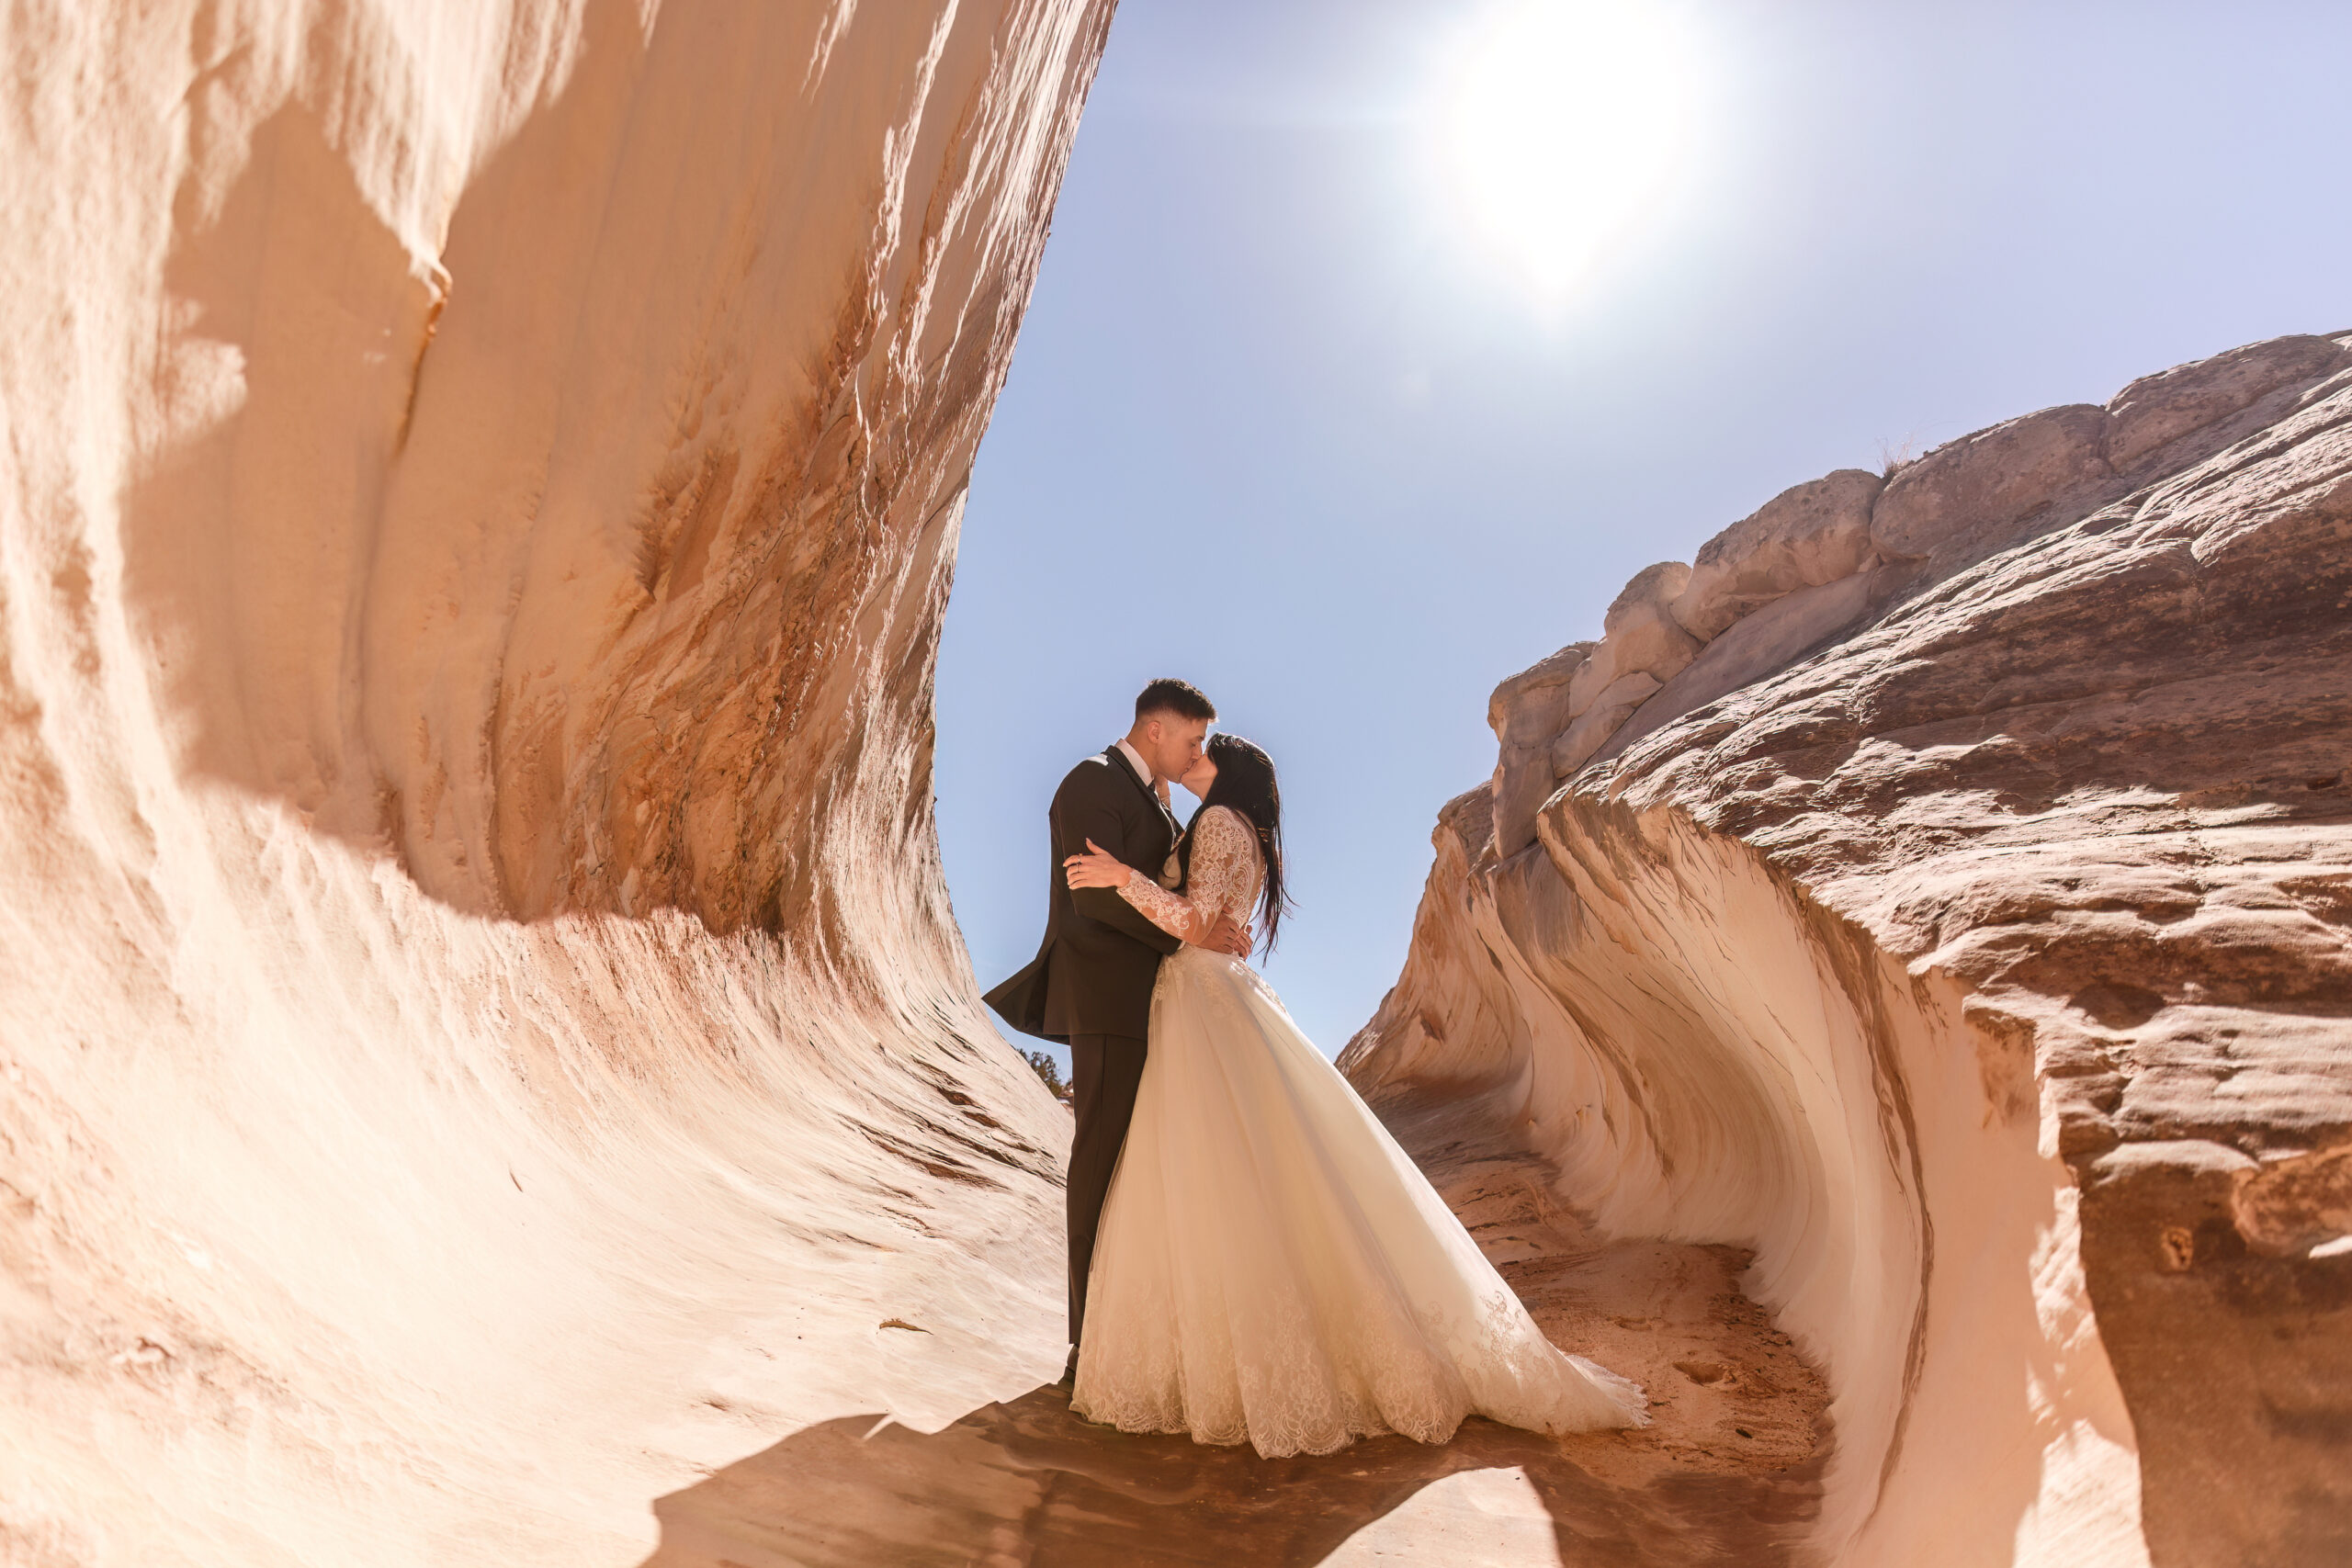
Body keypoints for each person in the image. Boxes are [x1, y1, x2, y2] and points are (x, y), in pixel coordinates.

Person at [1056, 731, 1647, 1457]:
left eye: (1207, 754)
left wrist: (1119, 873)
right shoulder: (1240, 830)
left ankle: (1217, 1367)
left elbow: (1192, 924)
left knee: (1208, 1174)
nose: (1194, 758)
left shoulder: (1215, 822)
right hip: (1216, 998)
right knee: (1250, 1176)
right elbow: (1215, 924)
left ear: (1230, 771)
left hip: (1198, 1004)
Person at [983, 679, 1250, 1384]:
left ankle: (1141, 1333)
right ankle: (1085, 1342)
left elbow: (1164, 888)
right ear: (1157, 730)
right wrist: (1191, 936)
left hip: (1155, 1002)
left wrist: (1194, 926)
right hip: (1108, 998)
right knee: (1100, 1161)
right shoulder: (1090, 781)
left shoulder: (1158, 806)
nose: (1199, 753)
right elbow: (1094, 895)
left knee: (1145, 1170)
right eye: (1193, 740)